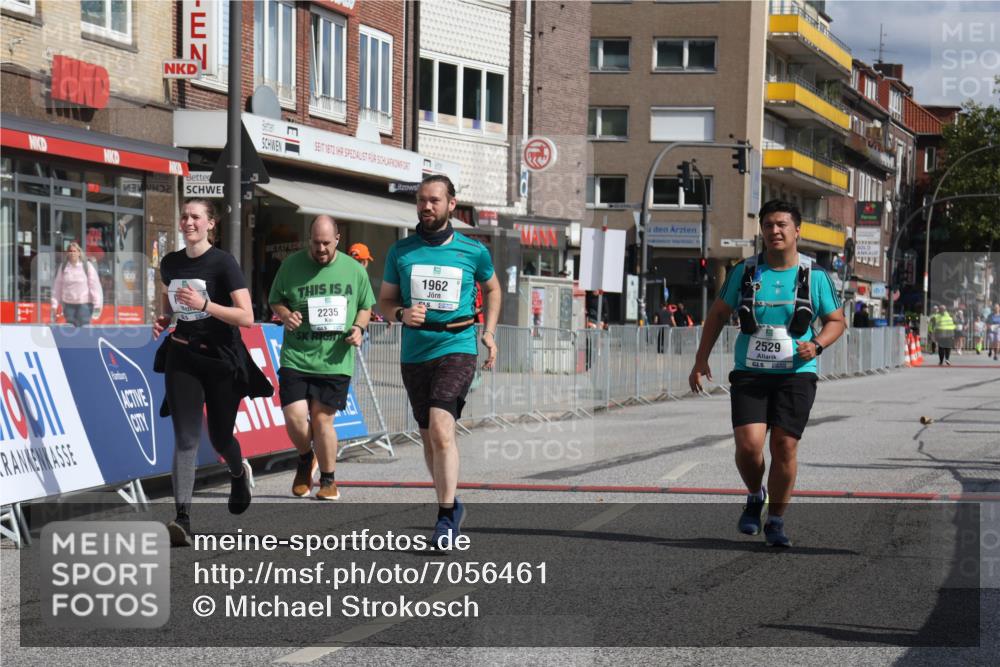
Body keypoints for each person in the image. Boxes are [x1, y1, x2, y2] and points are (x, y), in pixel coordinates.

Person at [688, 200, 845, 548]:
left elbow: (837, 321)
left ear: (797, 231)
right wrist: (701, 360)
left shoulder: (814, 276)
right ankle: (754, 494)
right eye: (768, 225)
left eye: (782, 225)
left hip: (796, 373)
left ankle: (775, 519)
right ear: (761, 230)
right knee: (749, 447)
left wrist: (817, 345)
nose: (775, 231)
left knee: (785, 445)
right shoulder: (745, 272)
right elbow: (717, 314)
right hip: (751, 372)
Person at [377, 175, 501, 549]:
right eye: (421, 201)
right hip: (415, 353)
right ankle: (451, 502)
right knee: (429, 439)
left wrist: (489, 332)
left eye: (434, 200)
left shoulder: (472, 250)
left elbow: (492, 288)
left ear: (451, 204)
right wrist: (400, 314)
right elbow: (384, 301)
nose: (426, 207)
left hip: (458, 344)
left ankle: (445, 517)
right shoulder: (402, 251)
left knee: (442, 429)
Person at [153, 199, 272, 547]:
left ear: (210, 224)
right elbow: (172, 305)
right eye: (185, 216)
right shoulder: (170, 263)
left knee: (220, 438)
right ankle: (183, 519)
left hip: (221, 360)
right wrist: (164, 319)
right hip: (183, 355)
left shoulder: (223, 263)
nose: (188, 221)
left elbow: (247, 316)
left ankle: (238, 471)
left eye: (196, 217)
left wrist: (206, 305)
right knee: (186, 439)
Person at [268, 216, 375, 500]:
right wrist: (286, 315)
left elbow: (366, 306)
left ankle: (328, 480)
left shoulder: (354, 270)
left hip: (334, 359)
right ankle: (305, 458)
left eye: (327, 243)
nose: (321, 249)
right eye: (316, 243)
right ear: (309, 241)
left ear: (337, 240)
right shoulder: (291, 266)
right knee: (294, 417)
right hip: (297, 356)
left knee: (321, 419)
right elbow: (275, 299)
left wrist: (359, 328)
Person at [51, 241, 103, 327]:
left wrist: (97, 305)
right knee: (70, 329)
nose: (72, 253)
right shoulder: (63, 267)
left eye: (74, 251)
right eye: (70, 251)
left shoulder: (87, 266)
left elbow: (95, 286)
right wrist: (54, 304)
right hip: (68, 305)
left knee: (84, 328)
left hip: (84, 305)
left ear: (79, 253)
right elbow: (57, 287)